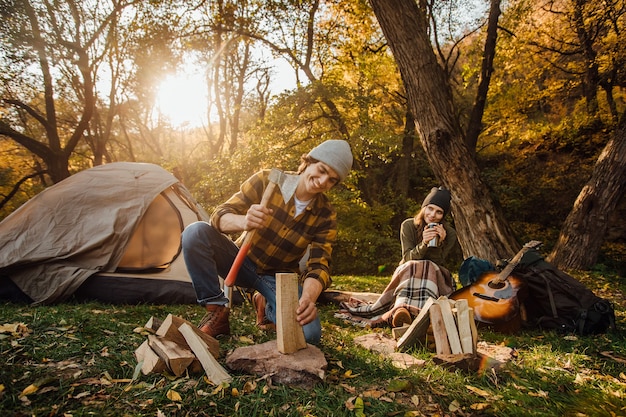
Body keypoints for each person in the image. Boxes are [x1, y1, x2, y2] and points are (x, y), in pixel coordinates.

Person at [181, 140, 353, 345]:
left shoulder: (326, 215)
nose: (323, 181)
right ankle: (217, 311)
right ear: (309, 161)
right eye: (322, 170)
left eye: (332, 180)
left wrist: (308, 297)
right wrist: (243, 221)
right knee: (195, 232)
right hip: (241, 260)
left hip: (278, 278)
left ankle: (266, 304)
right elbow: (219, 215)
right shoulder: (267, 180)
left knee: (309, 335)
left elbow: (319, 265)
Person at [338, 186, 458, 328]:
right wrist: (424, 244)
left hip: (434, 276)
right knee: (415, 265)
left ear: (443, 216)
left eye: (439, 212)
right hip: (409, 273)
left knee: (428, 266)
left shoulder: (449, 233)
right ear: (424, 207)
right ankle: (401, 310)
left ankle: (421, 312)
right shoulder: (408, 225)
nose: (432, 215)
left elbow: (439, 262)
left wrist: (440, 243)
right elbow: (408, 258)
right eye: (430, 208)